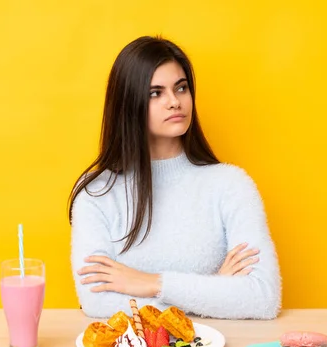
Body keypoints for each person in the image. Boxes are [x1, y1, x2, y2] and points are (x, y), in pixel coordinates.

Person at [68, 36, 281, 320]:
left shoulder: (231, 185)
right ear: (128, 104)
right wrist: (216, 292)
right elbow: (97, 303)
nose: (174, 102)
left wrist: (151, 283)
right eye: (155, 93)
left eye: (181, 88)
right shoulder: (98, 192)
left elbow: (263, 299)